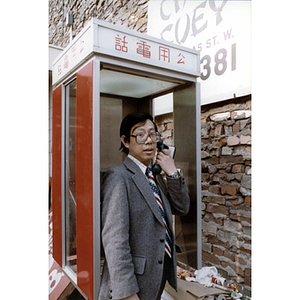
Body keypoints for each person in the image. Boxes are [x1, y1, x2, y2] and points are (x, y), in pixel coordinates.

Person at [99, 112, 190, 300]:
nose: (149, 141)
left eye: (152, 134)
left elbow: (182, 208)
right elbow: (115, 240)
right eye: (140, 135)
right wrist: (127, 294)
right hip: (133, 286)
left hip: (156, 278)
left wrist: (172, 173)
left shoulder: (154, 175)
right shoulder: (118, 176)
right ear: (125, 141)